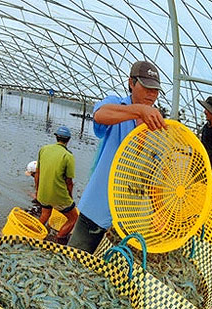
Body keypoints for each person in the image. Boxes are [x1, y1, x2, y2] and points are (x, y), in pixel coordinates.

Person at [68, 60, 167, 253]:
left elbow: (156, 174)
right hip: (96, 210)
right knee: (74, 261)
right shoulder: (116, 104)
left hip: (126, 220)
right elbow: (99, 115)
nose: (151, 94)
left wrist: (159, 211)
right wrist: (138, 111)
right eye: (146, 87)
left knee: (104, 274)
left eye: (155, 90)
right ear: (131, 83)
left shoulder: (158, 129)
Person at [34, 126, 78, 238]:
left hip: (43, 193)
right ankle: (59, 239)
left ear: (56, 137)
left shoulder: (44, 149)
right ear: (68, 140)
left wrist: (38, 190)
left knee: (45, 214)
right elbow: (69, 182)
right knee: (74, 218)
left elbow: (37, 173)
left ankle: (34, 236)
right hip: (58, 196)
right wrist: (70, 199)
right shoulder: (68, 156)